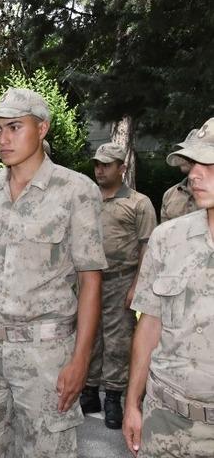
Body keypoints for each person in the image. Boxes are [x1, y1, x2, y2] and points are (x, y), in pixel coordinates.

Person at [0, 88, 107, 457]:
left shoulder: (76, 191)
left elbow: (91, 280)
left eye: (14, 127)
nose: (2, 139)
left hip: (45, 352)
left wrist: (80, 359)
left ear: (42, 129)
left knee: (48, 451)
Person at [123, 121, 214, 457]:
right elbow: (149, 325)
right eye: (194, 163)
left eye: (210, 164)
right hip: (165, 420)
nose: (194, 174)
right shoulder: (168, 238)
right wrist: (133, 403)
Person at [82, 143, 156, 430]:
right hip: (90, 279)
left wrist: (137, 285)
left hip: (121, 279)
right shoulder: (88, 198)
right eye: (97, 164)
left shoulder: (138, 203)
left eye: (106, 165)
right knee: (89, 335)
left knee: (118, 340)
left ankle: (113, 396)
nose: (100, 170)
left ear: (122, 168)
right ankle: (89, 392)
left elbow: (147, 246)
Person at [161, 129, 200, 222]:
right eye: (184, 151)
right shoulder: (170, 194)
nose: (183, 157)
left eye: (191, 152)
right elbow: (165, 233)